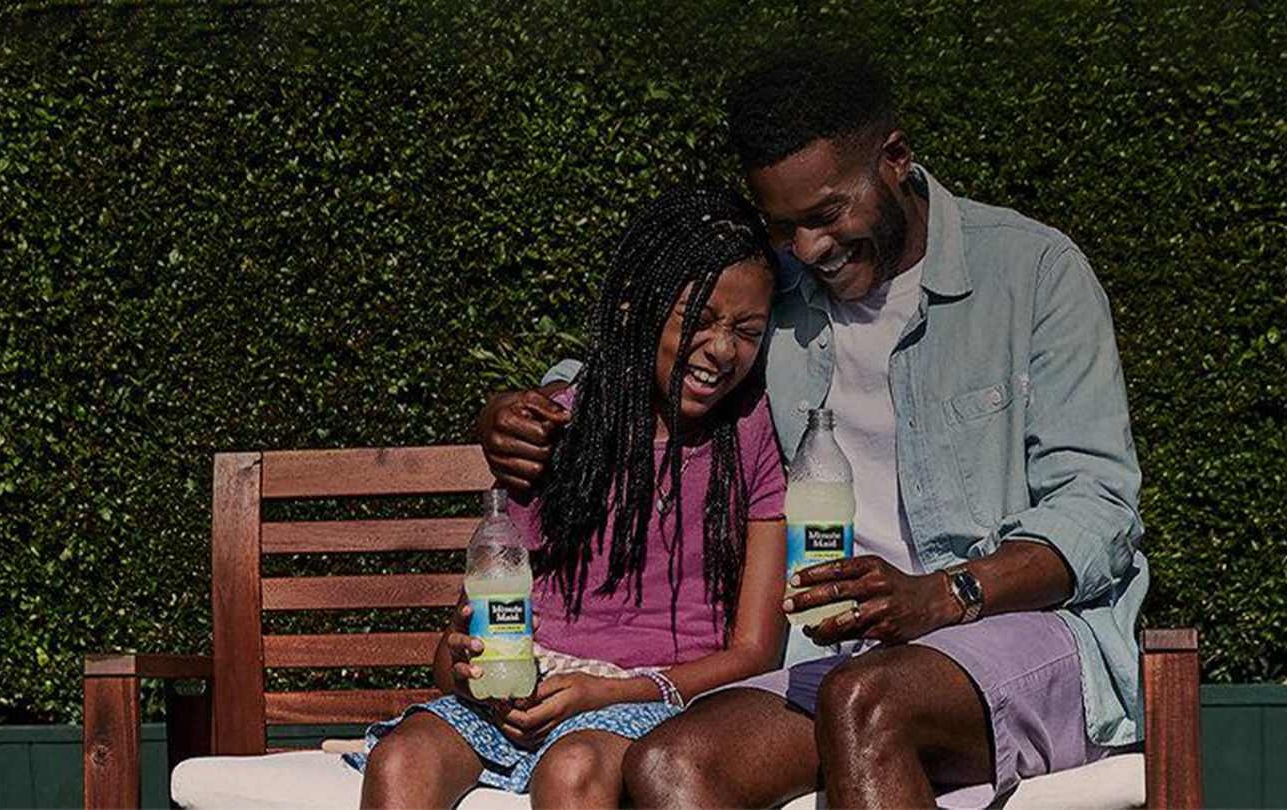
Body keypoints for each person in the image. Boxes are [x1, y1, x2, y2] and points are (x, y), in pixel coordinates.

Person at [477, 51, 1147, 809]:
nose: (808, 250)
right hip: (829, 656)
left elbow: (1098, 509)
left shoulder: (1035, 273)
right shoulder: (781, 293)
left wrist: (943, 594)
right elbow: (649, 353)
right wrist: (532, 403)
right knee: (673, 764)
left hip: (1018, 630)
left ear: (895, 157)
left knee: (868, 702)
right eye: (782, 226)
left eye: (827, 215)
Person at [349, 185, 789, 809]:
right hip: (526, 690)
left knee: (573, 766)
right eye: (698, 318)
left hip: (651, 700)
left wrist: (607, 693)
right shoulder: (553, 431)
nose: (722, 349)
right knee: (401, 760)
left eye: (747, 330)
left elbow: (754, 652)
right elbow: (452, 654)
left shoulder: (748, 438)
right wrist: (469, 666)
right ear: (636, 310)